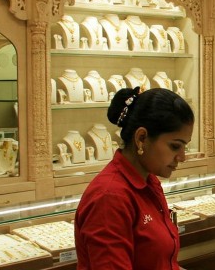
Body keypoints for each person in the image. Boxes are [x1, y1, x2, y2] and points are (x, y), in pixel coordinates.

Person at [75, 87, 194, 270]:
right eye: (175, 146)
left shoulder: (149, 182)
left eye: (184, 147)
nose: (182, 157)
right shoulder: (110, 198)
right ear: (141, 138)